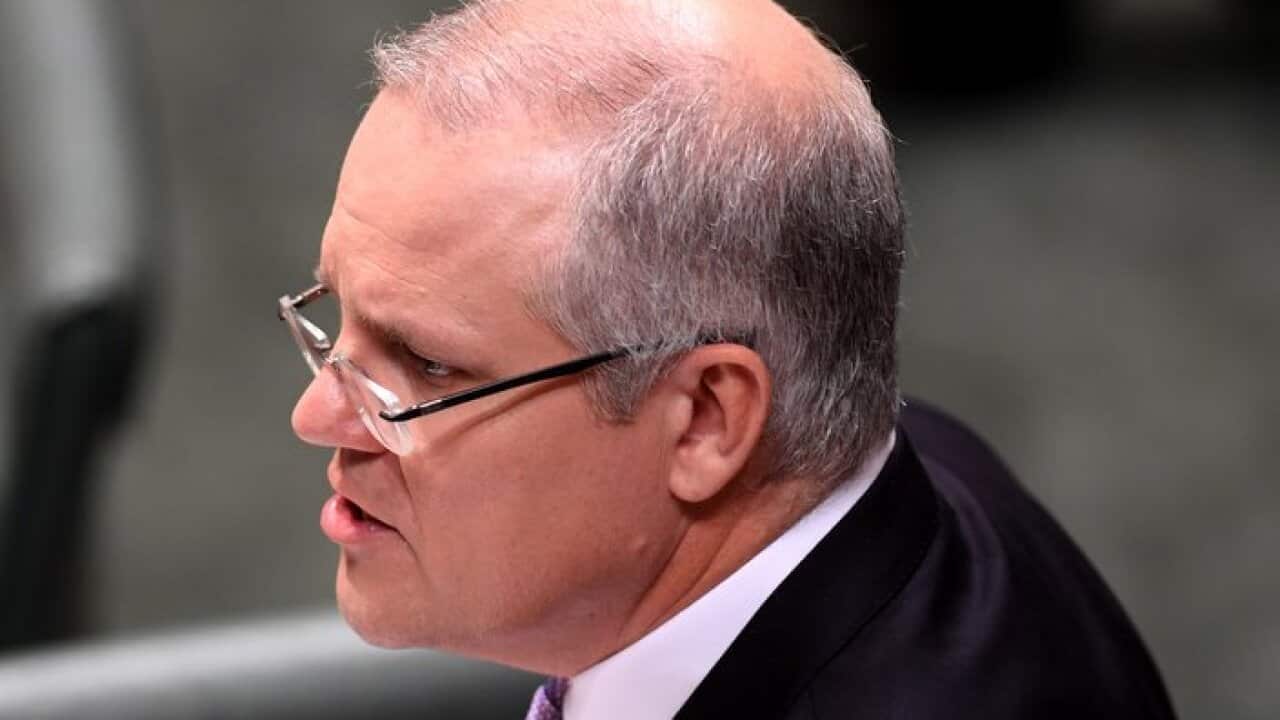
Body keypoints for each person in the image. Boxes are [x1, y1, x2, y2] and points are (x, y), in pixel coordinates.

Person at [281, 0, 1177, 717]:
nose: (315, 414)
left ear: (707, 420)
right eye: (333, 309)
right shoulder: (900, 471)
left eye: (427, 364)